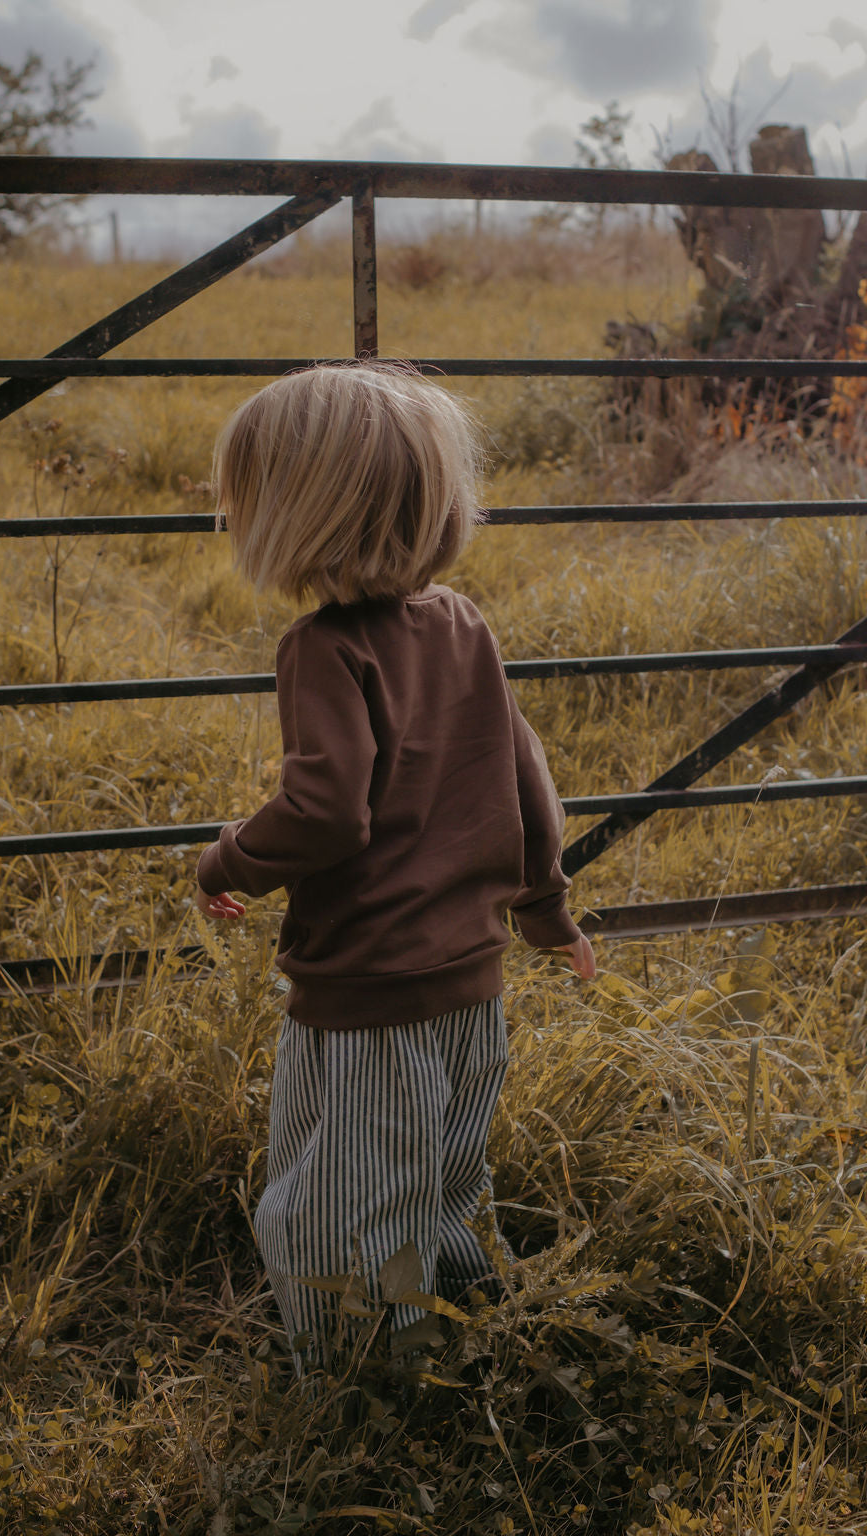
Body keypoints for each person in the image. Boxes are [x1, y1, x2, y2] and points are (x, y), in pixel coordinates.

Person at [195, 360, 595, 1373]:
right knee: (444, 1175)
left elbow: (325, 812)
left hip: (368, 988)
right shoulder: (461, 624)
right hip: (470, 980)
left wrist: (227, 858)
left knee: (329, 1203)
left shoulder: (322, 649)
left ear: (298, 515)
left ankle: (361, 1377)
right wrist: (546, 909)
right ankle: (462, 1326)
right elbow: (525, 776)